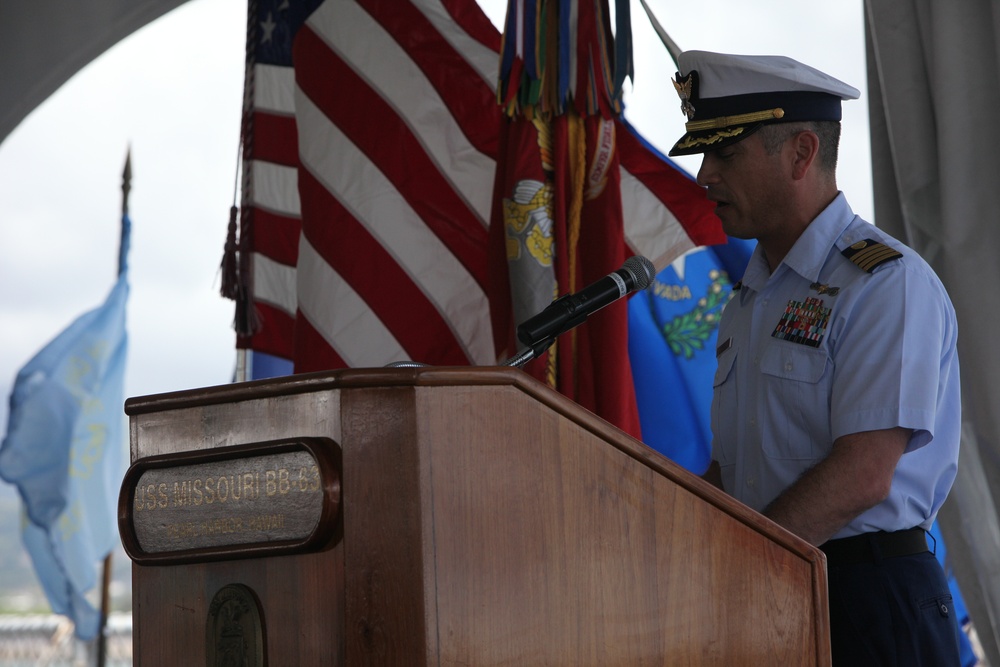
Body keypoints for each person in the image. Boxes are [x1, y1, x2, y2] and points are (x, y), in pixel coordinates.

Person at [668, 51, 963, 665]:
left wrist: (741, 564)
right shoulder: (748, 300)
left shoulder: (883, 283)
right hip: (772, 584)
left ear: (802, 153)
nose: (704, 176)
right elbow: (737, 470)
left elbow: (863, 473)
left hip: (867, 596)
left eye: (724, 152)